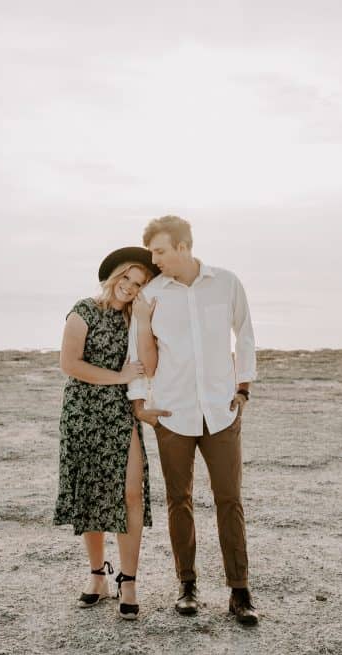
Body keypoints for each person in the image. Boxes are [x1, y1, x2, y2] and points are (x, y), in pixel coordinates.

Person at [127, 215, 260, 625]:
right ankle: (187, 586)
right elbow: (138, 347)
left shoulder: (226, 282)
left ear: (184, 246)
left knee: (229, 500)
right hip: (172, 412)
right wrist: (139, 403)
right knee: (178, 501)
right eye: (153, 252)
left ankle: (240, 591)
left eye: (161, 251)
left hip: (221, 411)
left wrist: (243, 388)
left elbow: (246, 333)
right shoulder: (151, 294)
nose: (155, 259)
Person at [53, 246, 169, 620]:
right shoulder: (83, 310)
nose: (131, 288)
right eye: (127, 279)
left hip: (121, 413)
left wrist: (146, 323)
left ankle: (129, 580)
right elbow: (69, 364)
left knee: (130, 493)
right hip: (83, 411)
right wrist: (119, 377)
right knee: (90, 491)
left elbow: (148, 366)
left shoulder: (136, 319)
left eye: (139, 284)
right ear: (114, 275)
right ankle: (97, 575)